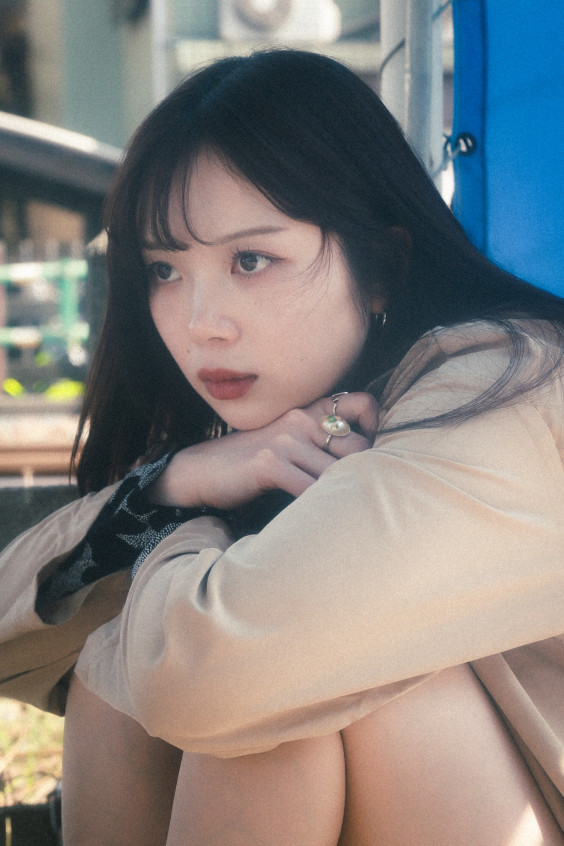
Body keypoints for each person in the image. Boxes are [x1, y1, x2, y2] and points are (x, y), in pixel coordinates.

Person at [1, 48, 564, 845]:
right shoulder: (295, 422)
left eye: (251, 260)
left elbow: (208, 678)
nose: (202, 322)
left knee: (272, 706)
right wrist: (172, 486)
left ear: (382, 266)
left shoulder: (505, 390)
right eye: (164, 270)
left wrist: (188, 535)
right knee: (121, 664)